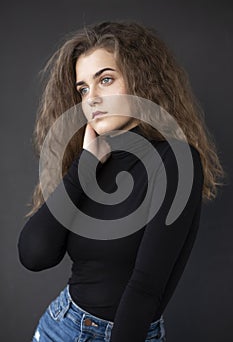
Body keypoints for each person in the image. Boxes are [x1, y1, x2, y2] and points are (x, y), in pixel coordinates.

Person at [17, 21, 225, 342]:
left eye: (106, 80)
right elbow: (35, 254)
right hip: (60, 327)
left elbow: (146, 286)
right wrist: (84, 167)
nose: (92, 99)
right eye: (83, 89)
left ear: (141, 81)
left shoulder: (175, 161)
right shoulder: (92, 159)